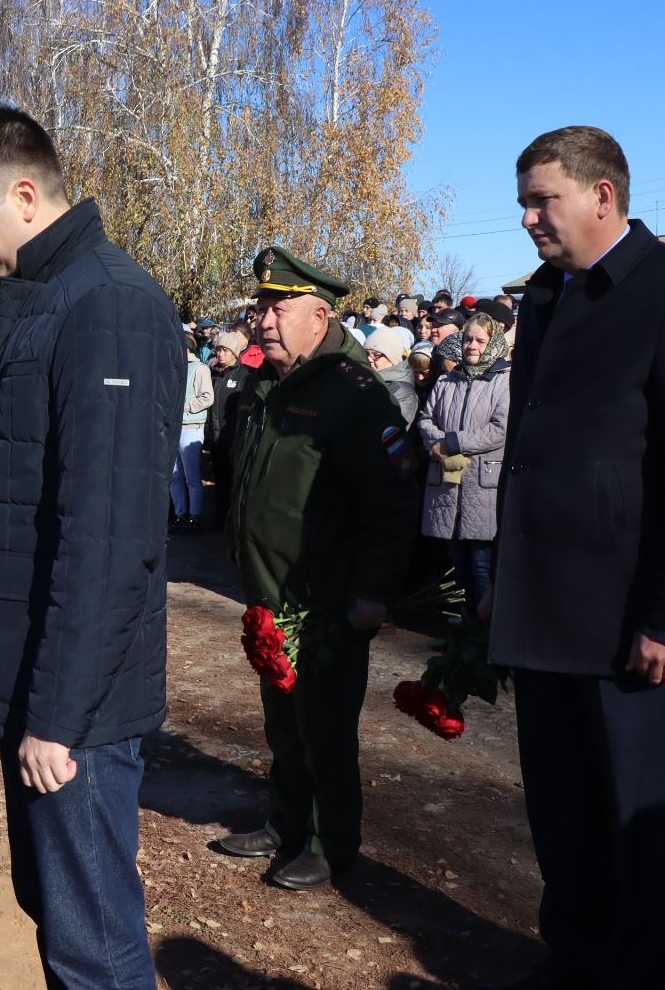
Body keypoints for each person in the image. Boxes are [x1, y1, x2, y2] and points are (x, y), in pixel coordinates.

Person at [0, 104, 182, 989]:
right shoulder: (44, 302)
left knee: (94, 940)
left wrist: (58, 718)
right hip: (42, 676)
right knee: (61, 912)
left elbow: (108, 539)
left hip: (77, 704)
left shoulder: (106, 305)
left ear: (24, 195)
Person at [483, 127, 665, 990]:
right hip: (547, 609)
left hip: (631, 619)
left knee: (639, 828)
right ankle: (576, 960)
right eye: (524, 200)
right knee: (564, 817)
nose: (526, 218)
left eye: (540, 199)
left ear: (603, 195)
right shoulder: (549, 297)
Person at [218, 245, 418, 892]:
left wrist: (373, 594)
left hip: (326, 599)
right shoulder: (267, 384)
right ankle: (285, 825)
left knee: (324, 726)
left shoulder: (354, 395)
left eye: (279, 308)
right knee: (283, 718)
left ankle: (334, 844)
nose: (264, 319)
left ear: (319, 315)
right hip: (270, 595)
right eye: (260, 307)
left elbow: (390, 506)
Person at [415, 312, 510, 622]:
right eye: (468, 339)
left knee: (481, 563)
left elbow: (499, 428)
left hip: (481, 484)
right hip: (448, 481)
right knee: (457, 558)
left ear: (492, 343)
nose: (472, 346)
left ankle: (483, 634)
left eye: (480, 341)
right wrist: (437, 445)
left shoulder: (504, 381)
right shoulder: (446, 380)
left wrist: (453, 443)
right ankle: (466, 626)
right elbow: (426, 419)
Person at [206, 332, 252, 530]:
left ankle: (237, 522)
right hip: (215, 438)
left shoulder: (247, 375)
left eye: (224, 350)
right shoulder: (212, 373)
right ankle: (220, 520)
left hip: (235, 437)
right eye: (218, 350)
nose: (220, 354)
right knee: (221, 481)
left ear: (234, 352)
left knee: (237, 482)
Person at [169, 334, 214, 533]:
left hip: (191, 428)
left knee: (191, 477)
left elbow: (207, 397)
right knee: (174, 476)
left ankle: (194, 516)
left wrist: (184, 406)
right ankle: (180, 514)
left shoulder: (200, 368)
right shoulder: (174, 367)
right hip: (174, 427)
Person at [362, 326, 419, 427]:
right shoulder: (366, 377)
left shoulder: (404, 393)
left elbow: (387, 430)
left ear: (392, 357)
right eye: (366, 353)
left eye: (376, 355)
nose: (369, 359)